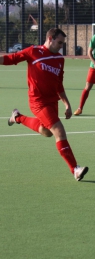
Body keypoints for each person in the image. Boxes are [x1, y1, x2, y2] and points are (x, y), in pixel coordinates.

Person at [0, 28, 88, 181]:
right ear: (50, 38)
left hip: (52, 101)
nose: (61, 46)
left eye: (63, 43)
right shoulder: (33, 51)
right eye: (59, 42)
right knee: (59, 130)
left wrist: (67, 104)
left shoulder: (60, 59)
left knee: (46, 132)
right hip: (38, 101)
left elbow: (59, 85)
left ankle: (17, 117)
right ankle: (75, 169)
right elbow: (11, 59)